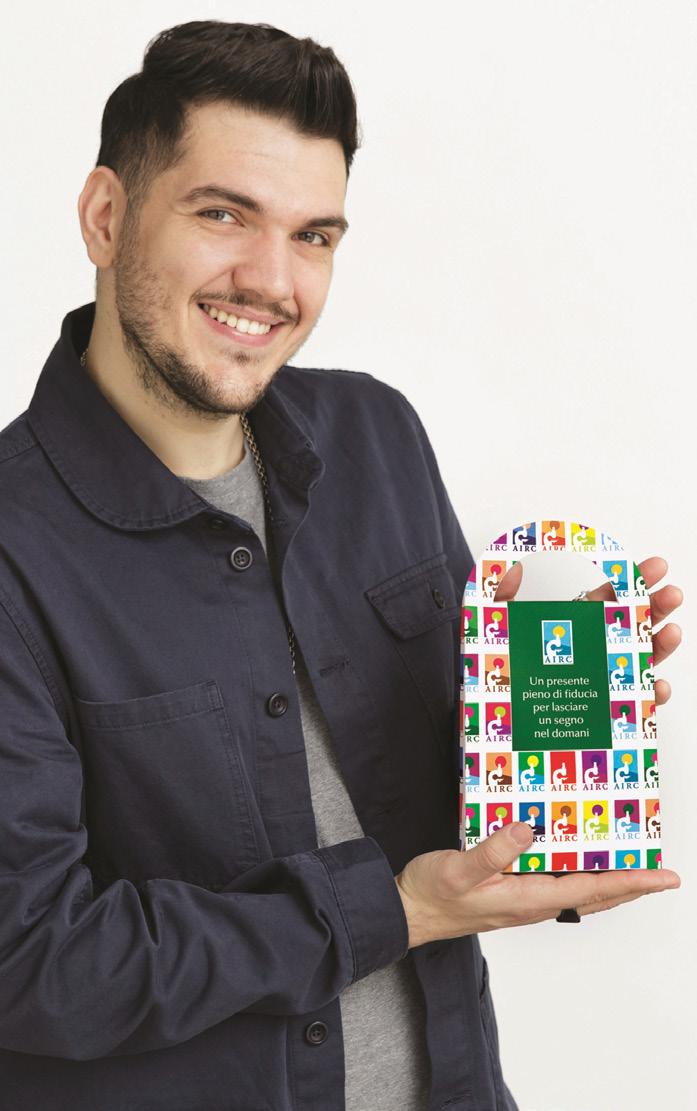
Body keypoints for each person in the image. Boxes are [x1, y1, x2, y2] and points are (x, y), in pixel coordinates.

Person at [0, 20, 682, 1111]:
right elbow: (32, 962)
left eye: (313, 235)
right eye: (223, 214)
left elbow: (441, 804)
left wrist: (546, 739)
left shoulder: (377, 438)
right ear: (106, 216)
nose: (272, 280)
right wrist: (397, 910)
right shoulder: (14, 549)